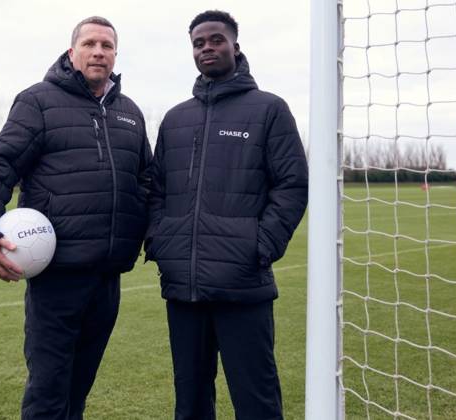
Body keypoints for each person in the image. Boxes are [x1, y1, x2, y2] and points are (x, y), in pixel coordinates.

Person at [0, 16, 151, 420]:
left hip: (107, 277)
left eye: (107, 45)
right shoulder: (38, 102)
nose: (98, 52)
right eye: (89, 44)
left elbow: (147, 181)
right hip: (57, 278)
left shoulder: (130, 113)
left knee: (78, 392)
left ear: (116, 55)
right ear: (72, 52)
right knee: (48, 395)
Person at [144, 10, 308, 420]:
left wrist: (259, 246)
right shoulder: (176, 118)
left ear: (235, 45)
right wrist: (162, 242)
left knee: (256, 400)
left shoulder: (269, 109)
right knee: (191, 400)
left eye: (216, 40)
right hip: (183, 286)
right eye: (198, 43)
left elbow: (292, 185)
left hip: (242, 283)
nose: (207, 48)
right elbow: (156, 189)